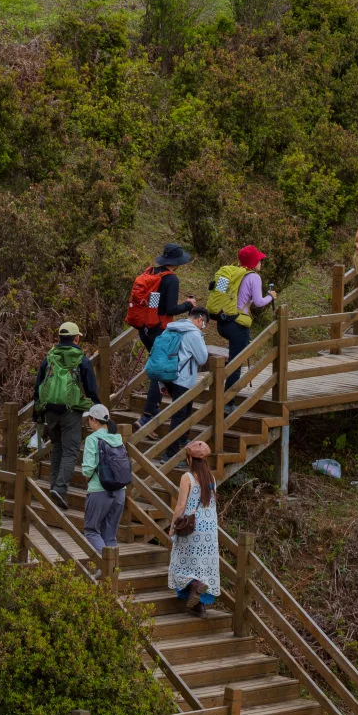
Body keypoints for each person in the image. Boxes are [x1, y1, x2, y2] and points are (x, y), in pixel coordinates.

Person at [128, 244, 198, 427]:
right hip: (159, 330)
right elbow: (169, 309)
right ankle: (148, 416)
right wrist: (188, 304)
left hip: (144, 329)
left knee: (161, 368)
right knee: (160, 371)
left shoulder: (151, 273)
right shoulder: (171, 279)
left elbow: (153, 303)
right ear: (177, 262)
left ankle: (160, 410)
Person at [32, 321, 100, 509]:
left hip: (50, 411)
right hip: (71, 411)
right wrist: (101, 407)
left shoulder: (50, 358)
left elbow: (38, 386)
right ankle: (60, 489)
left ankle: (54, 488)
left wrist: (36, 413)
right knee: (70, 451)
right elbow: (91, 389)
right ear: (76, 337)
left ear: (60, 338)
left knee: (57, 448)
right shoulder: (81, 359)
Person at [207, 246, 276, 392]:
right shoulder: (254, 277)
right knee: (236, 363)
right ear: (254, 262)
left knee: (232, 359)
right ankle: (227, 402)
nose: (261, 263)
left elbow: (220, 294)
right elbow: (258, 302)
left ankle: (220, 392)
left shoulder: (231, 273)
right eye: (259, 260)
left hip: (222, 321)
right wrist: (271, 297)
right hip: (237, 324)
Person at [145, 307, 211, 456]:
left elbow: (161, 355)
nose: (203, 327)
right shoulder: (193, 333)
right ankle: (170, 454)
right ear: (200, 319)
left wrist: (162, 383)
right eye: (204, 324)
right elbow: (202, 358)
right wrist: (201, 337)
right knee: (180, 418)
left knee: (185, 414)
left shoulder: (172, 327)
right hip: (183, 379)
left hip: (169, 376)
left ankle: (182, 444)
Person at [168, 439, 221, 616]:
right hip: (210, 529)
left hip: (192, 527)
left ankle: (195, 585)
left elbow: (181, 505)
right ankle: (201, 607)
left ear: (190, 459)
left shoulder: (187, 477)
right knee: (202, 566)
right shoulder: (211, 478)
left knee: (179, 563)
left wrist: (172, 525)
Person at [80, 404, 128, 556]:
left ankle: (107, 568)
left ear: (93, 419)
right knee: (110, 536)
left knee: (91, 531)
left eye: (89, 419)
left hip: (99, 490)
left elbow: (88, 468)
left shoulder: (92, 439)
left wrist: (88, 478)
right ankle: (112, 574)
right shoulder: (118, 438)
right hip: (120, 491)